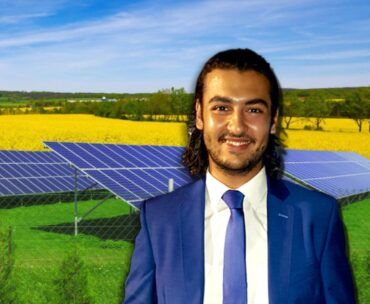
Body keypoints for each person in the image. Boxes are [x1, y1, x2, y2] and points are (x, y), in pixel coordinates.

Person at [123, 48, 355, 304]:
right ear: (200, 115)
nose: (237, 126)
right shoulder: (159, 218)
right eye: (221, 107)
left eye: (253, 110)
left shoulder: (318, 216)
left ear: (274, 120)